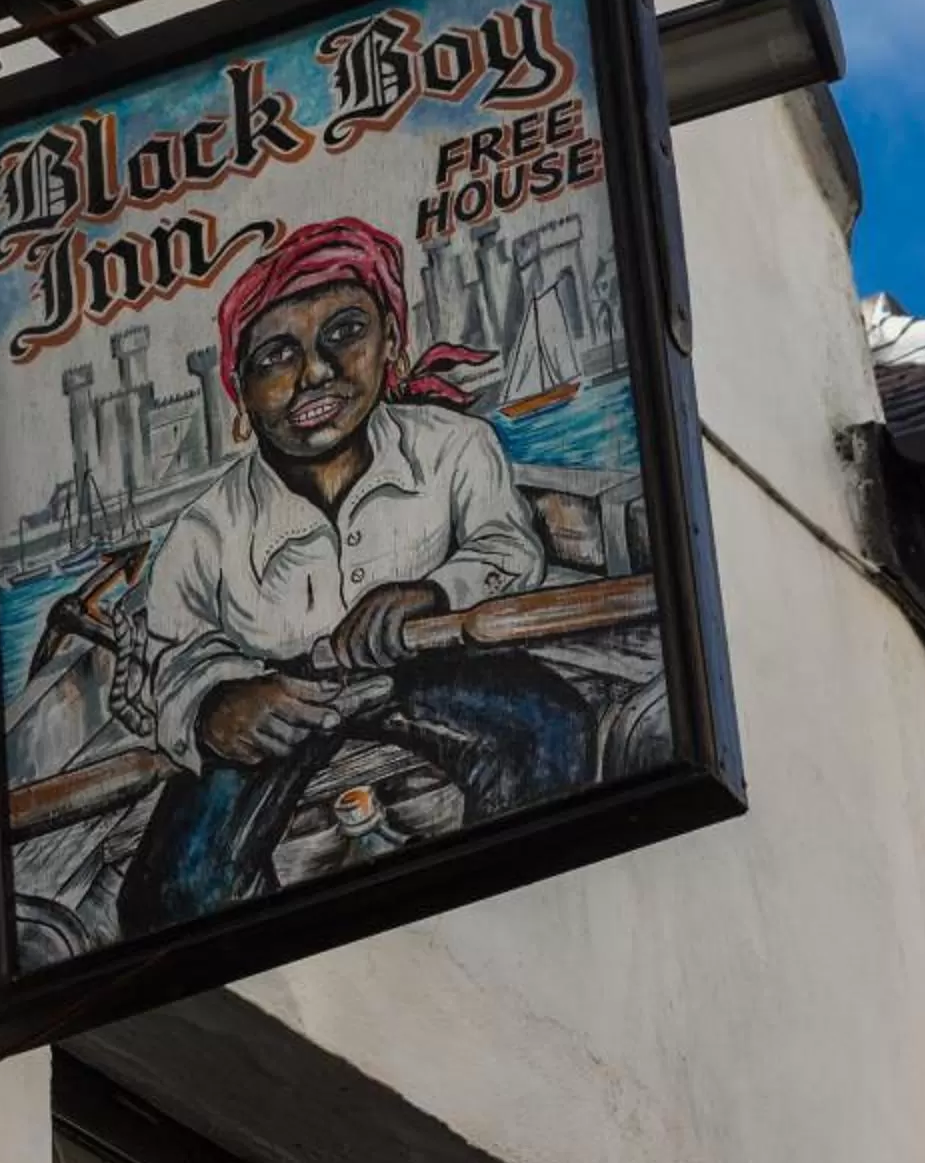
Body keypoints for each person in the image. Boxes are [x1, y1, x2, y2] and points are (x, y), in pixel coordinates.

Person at [118, 218, 595, 933]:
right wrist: (218, 706)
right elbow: (180, 657)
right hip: (279, 705)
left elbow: (508, 549)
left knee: (553, 733)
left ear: (390, 345)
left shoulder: (455, 447)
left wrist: (434, 595)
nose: (315, 373)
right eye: (278, 355)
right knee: (172, 898)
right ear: (240, 393)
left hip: (435, 668)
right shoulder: (202, 533)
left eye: (344, 333)